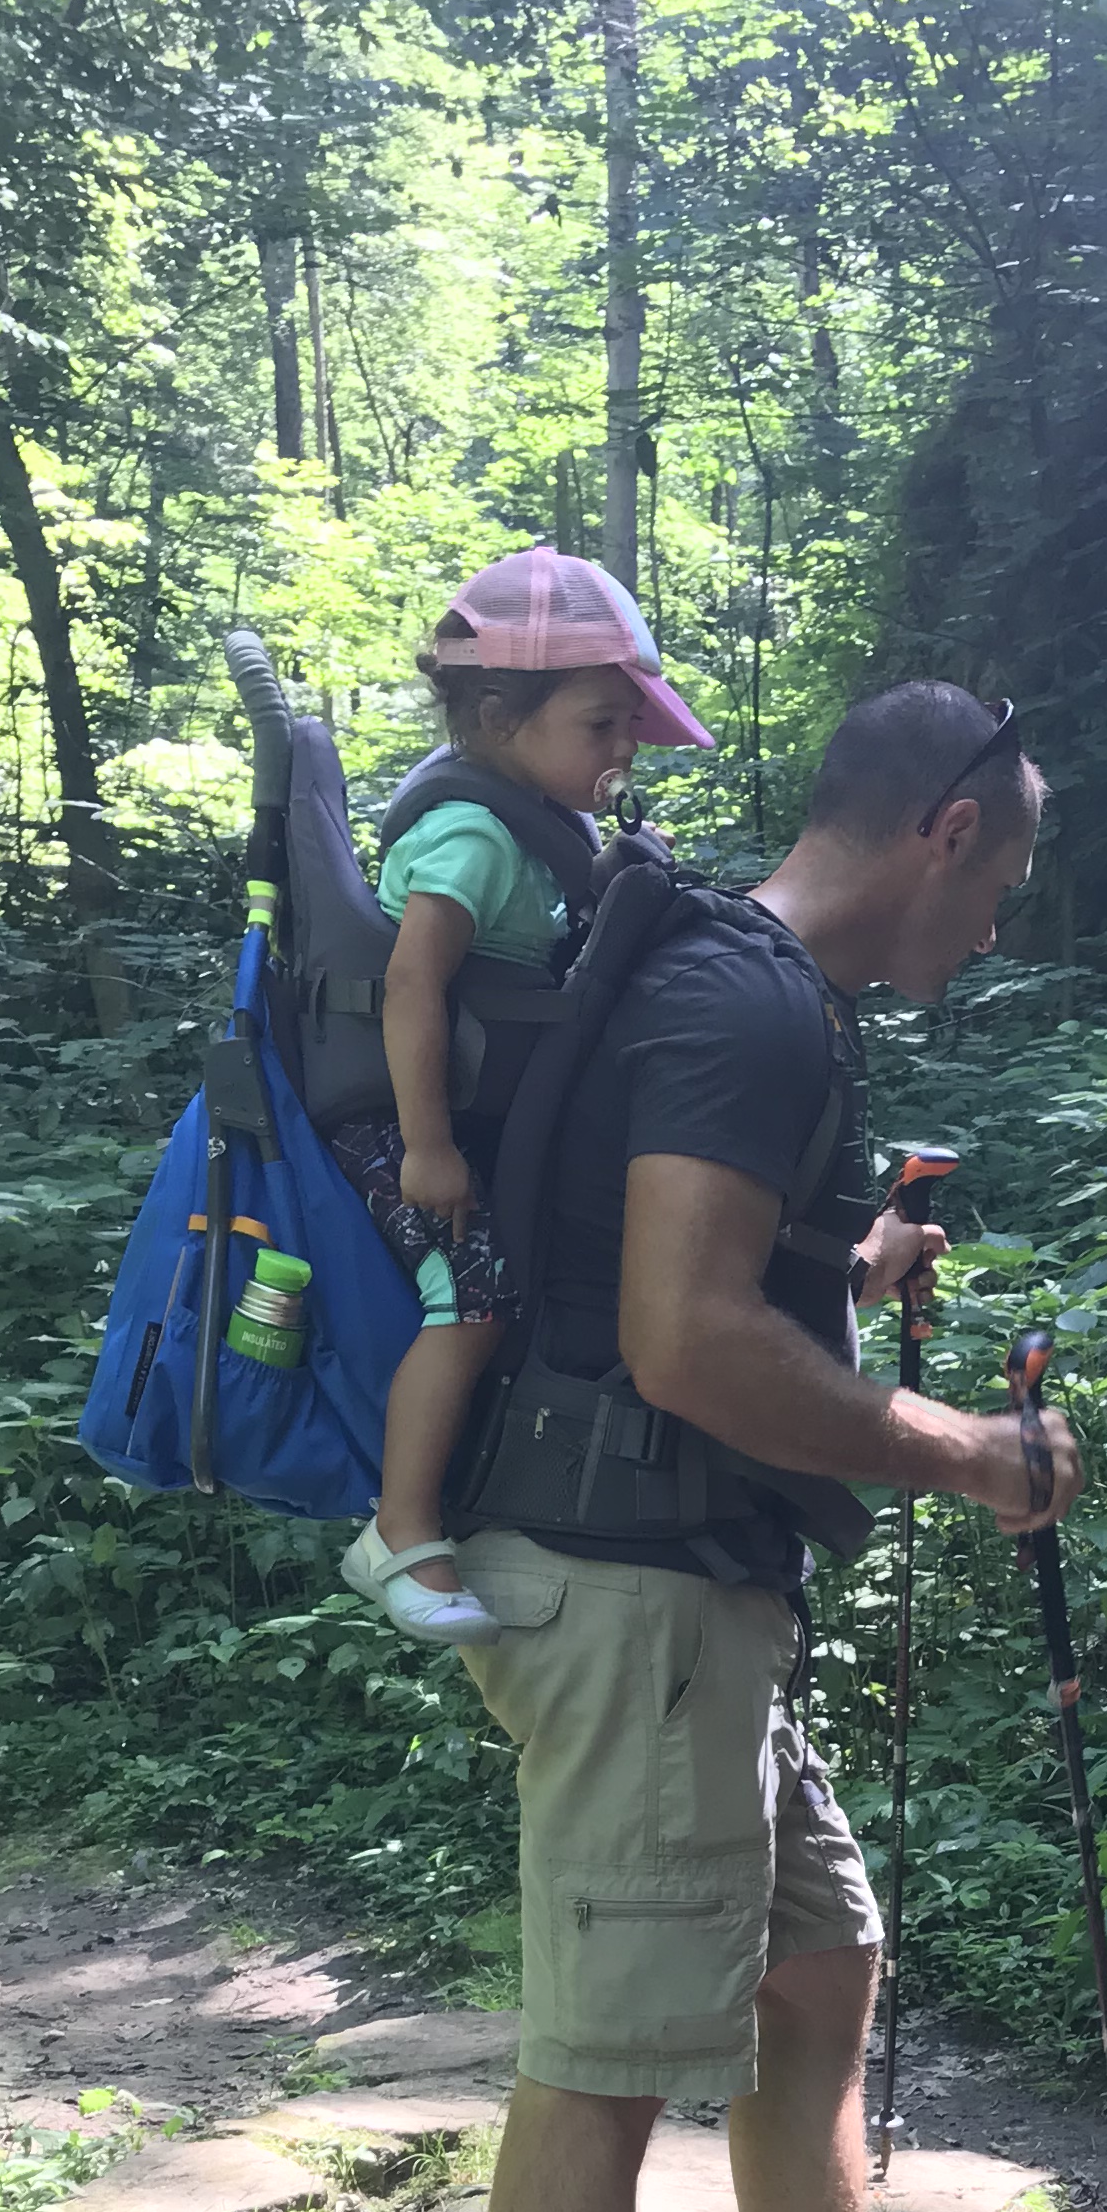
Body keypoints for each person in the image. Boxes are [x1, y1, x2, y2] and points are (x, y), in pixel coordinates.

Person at [450, 684, 1082, 2212]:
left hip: (694, 1589)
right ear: (945, 829)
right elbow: (677, 1338)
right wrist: (961, 1450)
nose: (997, 927)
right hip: (631, 1590)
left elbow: (688, 1278)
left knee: (818, 1974)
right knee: (605, 2059)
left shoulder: (741, 988)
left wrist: (841, 1269)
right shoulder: (749, 1007)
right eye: (1003, 879)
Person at [332, 550, 715, 1648]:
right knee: (472, 1298)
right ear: (500, 716)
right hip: (399, 1120)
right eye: (600, 724)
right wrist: (427, 1147)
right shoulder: (473, 833)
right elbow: (414, 984)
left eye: (630, 726)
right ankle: (400, 1533)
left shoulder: (537, 827)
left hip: (465, 1119)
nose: (624, 747)